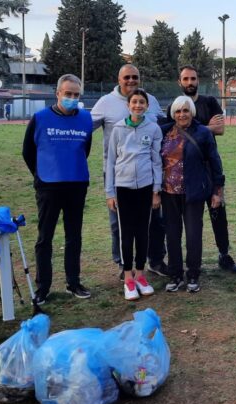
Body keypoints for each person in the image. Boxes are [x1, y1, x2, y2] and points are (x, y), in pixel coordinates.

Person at [92, 64, 168, 278]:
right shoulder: (105, 102)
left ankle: (154, 260)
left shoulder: (150, 100)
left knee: (153, 222)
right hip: (118, 175)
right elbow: (86, 127)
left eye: (135, 77)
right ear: (119, 79)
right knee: (119, 224)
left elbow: (163, 125)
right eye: (127, 77)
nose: (131, 80)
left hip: (146, 178)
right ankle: (123, 265)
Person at [22, 74, 93, 302]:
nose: (72, 98)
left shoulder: (85, 119)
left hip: (76, 184)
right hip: (49, 187)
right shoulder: (40, 118)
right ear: (58, 93)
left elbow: (85, 149)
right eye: (68, 94)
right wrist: (41, 175)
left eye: (76, 94)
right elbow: (28, 152)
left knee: (74, 237)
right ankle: (43, 287)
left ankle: (73, 282)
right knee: (45, 238)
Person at [166, 65, 236, 273]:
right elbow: (173, 132)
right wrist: (205, 128)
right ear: (179, 82)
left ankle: (224, 254)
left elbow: (221, 129)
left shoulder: (209, 102)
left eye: (193, 78)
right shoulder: (175, 105)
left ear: (198, 80)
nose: (190, 82)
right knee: (189, 222)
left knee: (218, 212)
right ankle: (179, 263)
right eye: (185, 79)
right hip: (185, 174)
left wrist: (196, 128)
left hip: (209, 168)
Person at [159, 95, 225, 293]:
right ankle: (175, 274)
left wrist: (217, 191)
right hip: (169, 192)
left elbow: (215, 161)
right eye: (178, 111)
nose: (182, 114)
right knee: (172, 235)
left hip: (194, 191)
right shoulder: (164, 131)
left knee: (193, 235)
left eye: (186, 110)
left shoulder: (203, 132)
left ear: (192, 112)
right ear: (173, 114)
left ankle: (193, 274)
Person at [105, 88, 162, 301]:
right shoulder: (118, 129)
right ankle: (128, 277)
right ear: (128, 105)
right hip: (123, 188)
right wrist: (110, 192)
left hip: (146, 188)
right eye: (134, 102)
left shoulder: (153, 129)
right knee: (126, 233)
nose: (138, 105)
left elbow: (156, 161)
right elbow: (110, 161)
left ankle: (140, 274)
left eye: (142, 102)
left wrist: (156, 190)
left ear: (147, 106)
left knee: (143, 232)